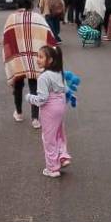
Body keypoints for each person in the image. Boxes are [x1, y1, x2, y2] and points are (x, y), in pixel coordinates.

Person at [3, 0, 58, 129]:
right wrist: (52, 52)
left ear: (18, 5)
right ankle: (35, 119)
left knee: (18, 86)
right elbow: (49, 35)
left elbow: (7, 40)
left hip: (18, 58)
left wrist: (11, 56)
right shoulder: (38, 18)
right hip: (35, 58)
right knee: (34, 87)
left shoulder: (11, 18)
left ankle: (19, 113)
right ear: (30, 5)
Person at [25, 45, 72, 178]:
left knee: (49, 138)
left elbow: (42, 99)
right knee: (59, 133)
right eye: (37, 56)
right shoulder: (59, 72)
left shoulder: (43, 77)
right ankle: (62, 157)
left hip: (49, 110)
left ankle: (52, 168)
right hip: (61, 106)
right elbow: (66, 89)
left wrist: (29, 97)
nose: (38, 59)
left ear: (50, 60)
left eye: (41, 57)